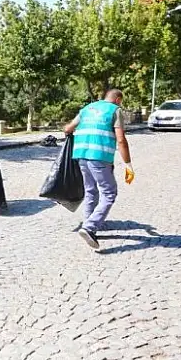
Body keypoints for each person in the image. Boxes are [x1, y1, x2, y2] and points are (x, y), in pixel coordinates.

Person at [64, 89, 134, 249]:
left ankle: (88, 225)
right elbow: (121, 139)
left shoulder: (87, 108)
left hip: (81, 154)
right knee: (109, 193)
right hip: (100, 156)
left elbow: (68, 128)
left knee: (90, 191)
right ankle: (89, 228)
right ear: (117, 100)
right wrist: (128, 164)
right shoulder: (115, 110)